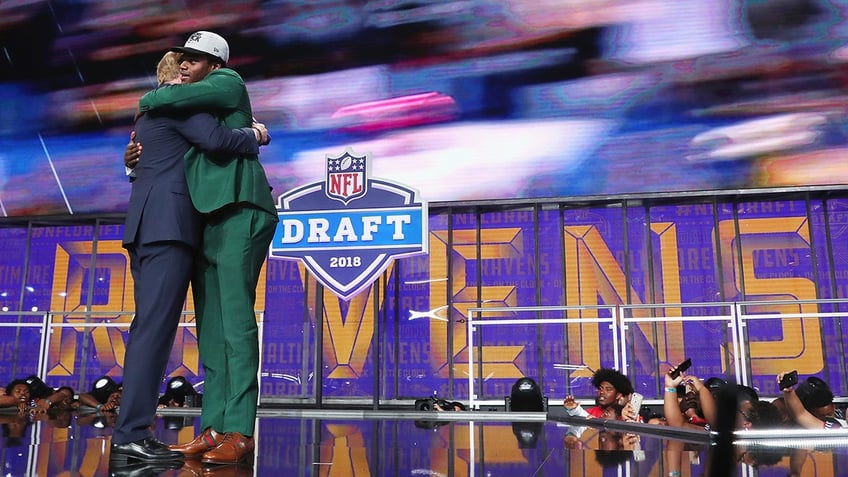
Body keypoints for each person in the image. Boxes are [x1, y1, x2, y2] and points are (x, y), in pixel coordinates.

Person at [111, 50, 269, 466]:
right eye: (181, 66)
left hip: (161, 226)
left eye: (194, 63)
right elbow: (217, 140)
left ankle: (209, 428)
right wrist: (254, 134)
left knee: (160, 327)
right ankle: (131, 435)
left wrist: (131, 164)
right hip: (171, 228)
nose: (186, 71)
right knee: (156, 331)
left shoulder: (152, 118)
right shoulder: (181, 106)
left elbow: (147, 160)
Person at [563, 368, 634, 420]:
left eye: (608, 389)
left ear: (618, 395)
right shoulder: (590, 412)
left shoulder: (626, 414)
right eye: (600, 388)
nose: (602, 392)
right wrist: (573, 410)